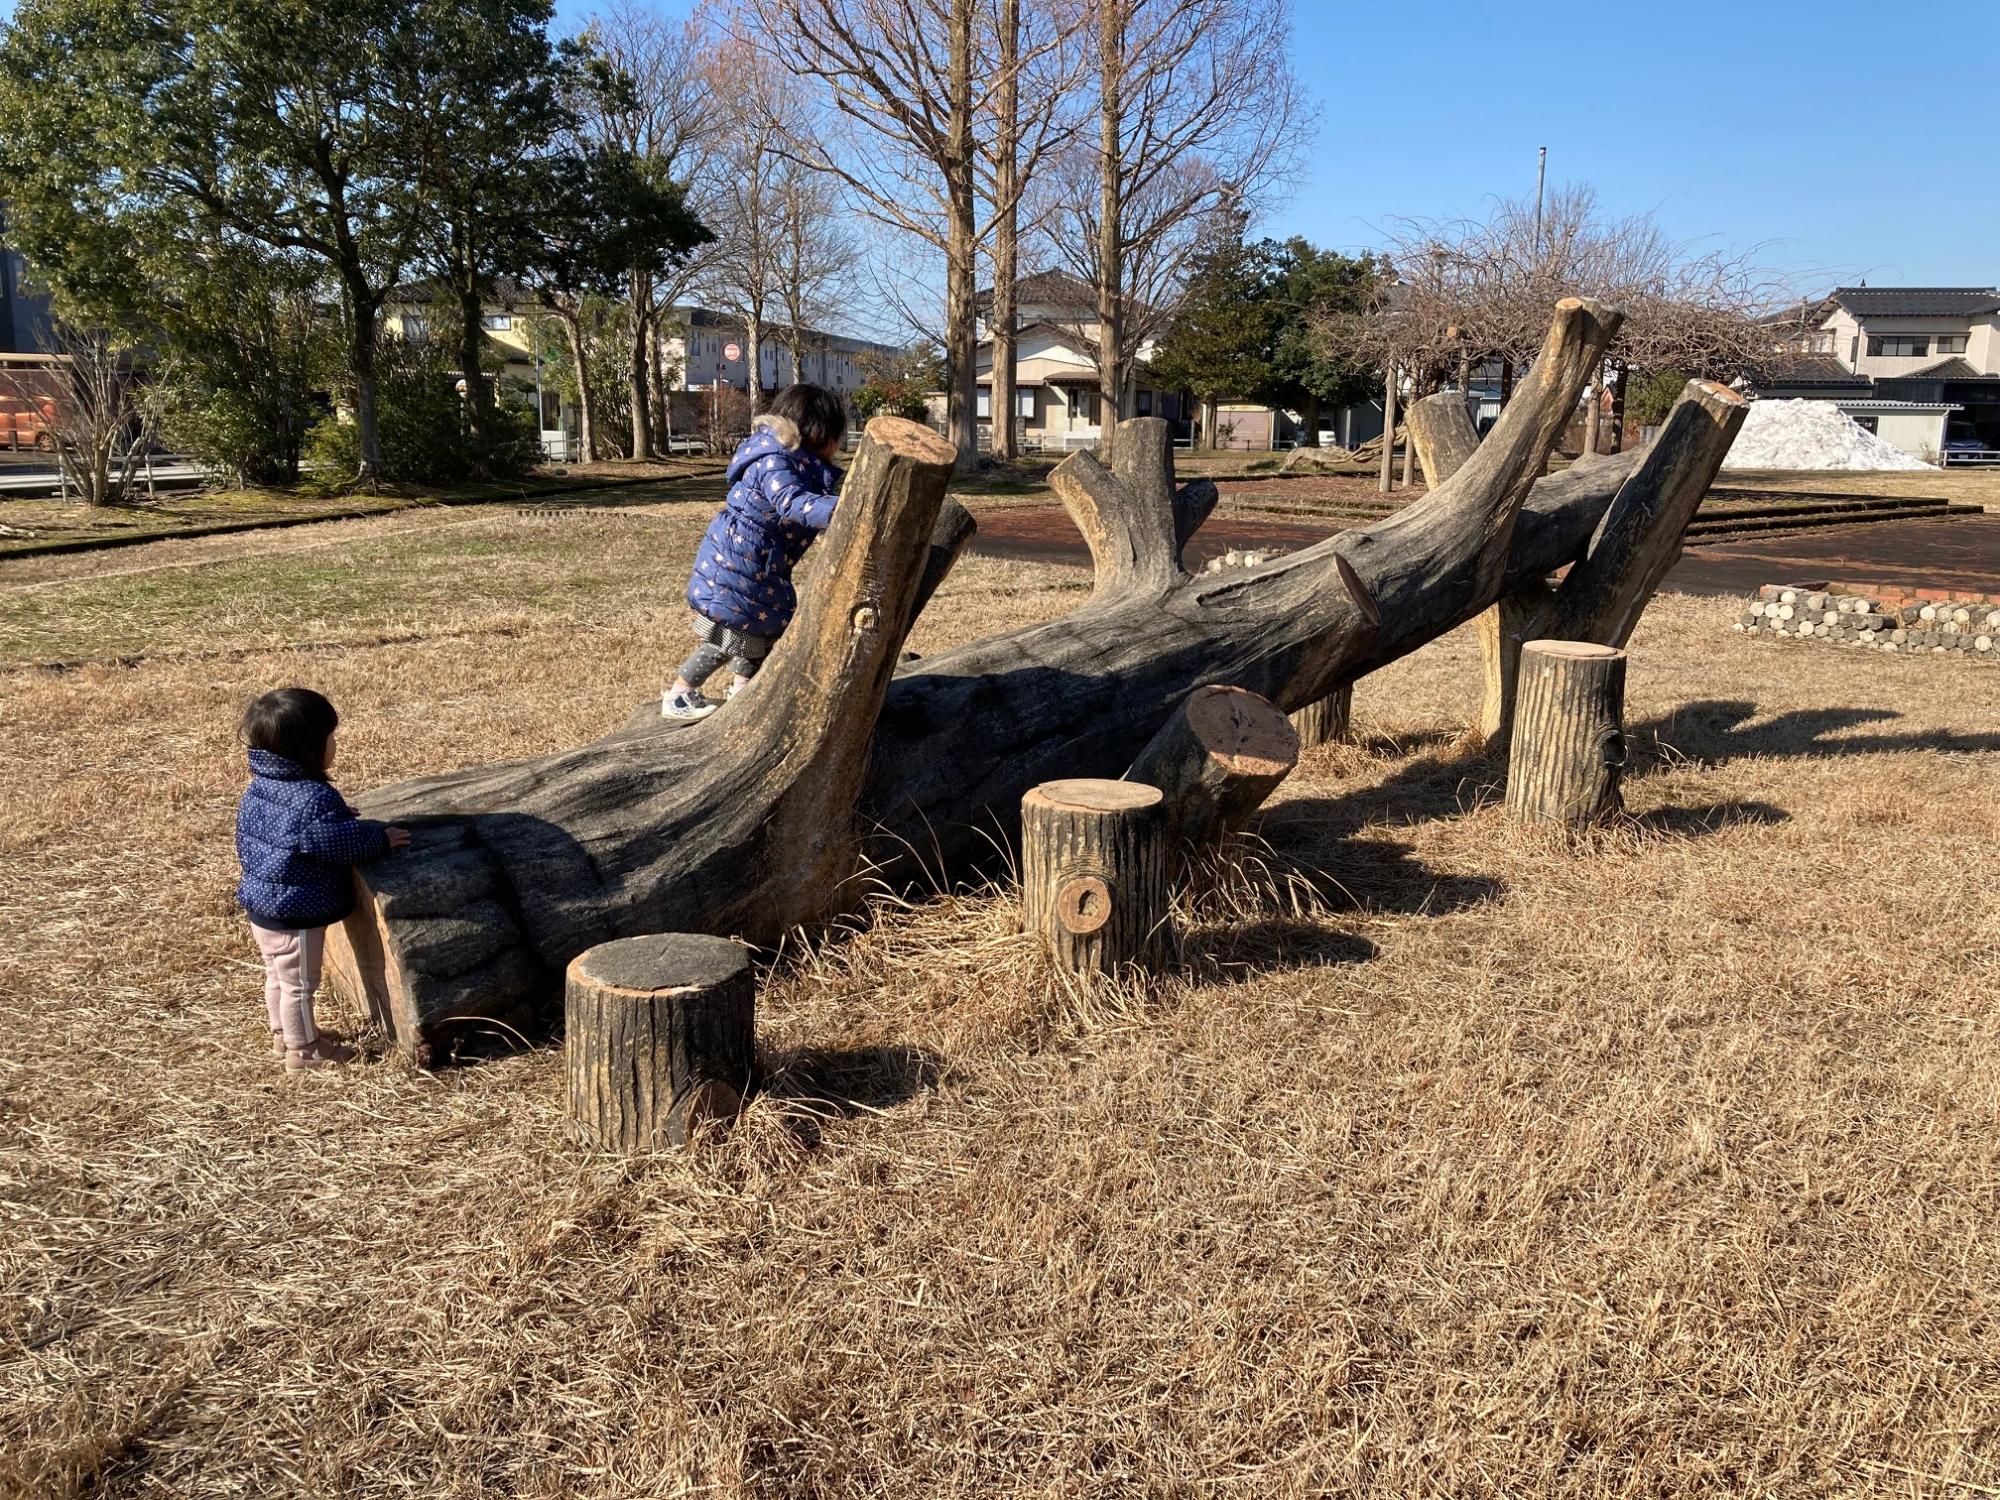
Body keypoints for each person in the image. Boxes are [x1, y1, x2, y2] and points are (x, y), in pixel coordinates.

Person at [234, 688, 409, 1071]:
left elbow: (291, 828)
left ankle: (284, 1036)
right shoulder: (312, 800)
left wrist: (333, 812)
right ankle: (304, 1050)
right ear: (310, 747)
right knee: (299, 984)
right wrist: (379, 838)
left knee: (278, 975)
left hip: (263, 903)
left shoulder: (262, 785)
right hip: (294, 909)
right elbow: (337, 843)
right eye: (331, 737)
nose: (335, 744)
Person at [663, 382, 847, 719]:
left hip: (760, 563)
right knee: (728, 635)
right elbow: (791, 503)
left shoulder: (793, 461)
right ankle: (679, 693)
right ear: (818, 432)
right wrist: (845, 508)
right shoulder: (775, 460)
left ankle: (741, 691)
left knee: (761, 632)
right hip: (741, 563)